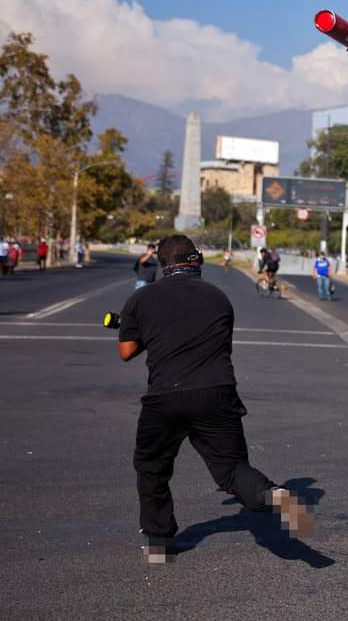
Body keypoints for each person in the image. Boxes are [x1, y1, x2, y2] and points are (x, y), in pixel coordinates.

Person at [116, 234, 312, 563]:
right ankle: (275, 495)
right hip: (217, 392)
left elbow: (126, 352)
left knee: (152, 467)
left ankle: (158, 545)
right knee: (232, 470)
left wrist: (139, 328)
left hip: (165, 396)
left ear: (162, 264)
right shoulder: (219, 298)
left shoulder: (141, 300)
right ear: (196, 261)